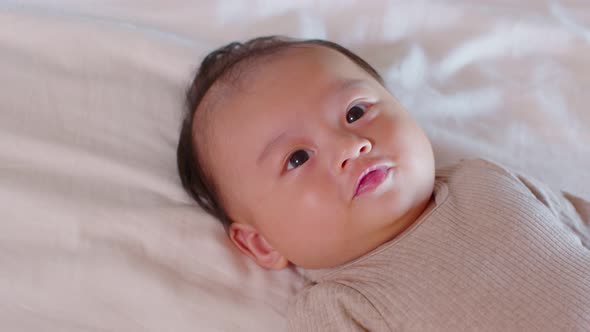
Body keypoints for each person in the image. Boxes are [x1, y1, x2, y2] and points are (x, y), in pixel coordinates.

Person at [177, 36, 590, 331]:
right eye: (298, 158)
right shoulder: (337, 307)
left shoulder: (486, 178)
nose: (350, 147)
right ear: (262, 243)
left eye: (356, 112)